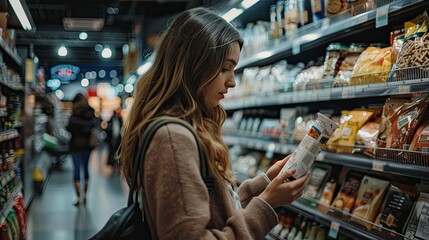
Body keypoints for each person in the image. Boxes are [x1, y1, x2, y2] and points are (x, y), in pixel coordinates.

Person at [119, 7, 310, 239]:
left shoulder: (184, 127)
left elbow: (208, 211)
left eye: (233, 69)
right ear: (193, 65)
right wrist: (265, 205)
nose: (232, 83)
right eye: (224, 68)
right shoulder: (173, 137)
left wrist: (264, 185)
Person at [66, 93, 95, 206]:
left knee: (77, 170)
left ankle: (78, 197)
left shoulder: (74, 114)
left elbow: (69, 128)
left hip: (75, 146)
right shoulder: (90, 111)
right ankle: (85, 196)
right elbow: (93, 126)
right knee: (86, 169)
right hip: (87, 145)